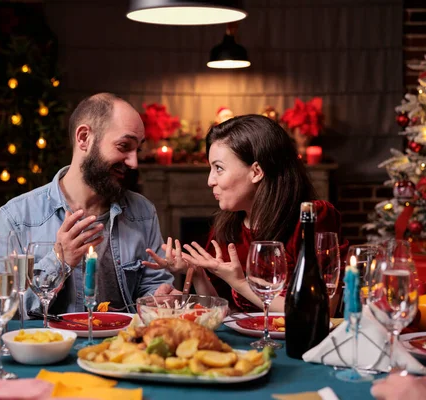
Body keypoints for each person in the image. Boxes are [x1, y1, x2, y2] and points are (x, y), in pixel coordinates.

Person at [0, 93, 173, 314]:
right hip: (50, 346)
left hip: (123, 346)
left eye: (137, 150)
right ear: (84, 138)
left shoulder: (142, 211)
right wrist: (58, 261)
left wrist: (159, 298)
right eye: (124, 146)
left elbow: (153, 286)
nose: (134, 162)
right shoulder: (16, 217)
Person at [144, 115, 347, 312]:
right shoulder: (228, 226)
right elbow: (221, 311)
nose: (210, 181)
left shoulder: (312, 217)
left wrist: (241, 284)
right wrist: (197, 274)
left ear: (257, 172)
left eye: (219, 168)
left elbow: (321, 309)